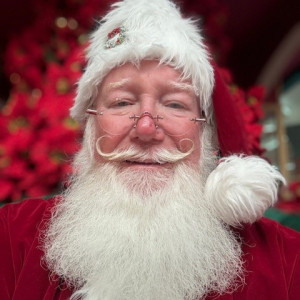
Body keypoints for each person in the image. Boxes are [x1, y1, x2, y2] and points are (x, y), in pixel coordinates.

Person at [1, 0, 300, 299]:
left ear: (205, 134)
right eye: (121, 103)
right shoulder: (12, 238)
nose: (146, 128)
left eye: (174, 104)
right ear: (91, 128)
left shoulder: (288, 262)